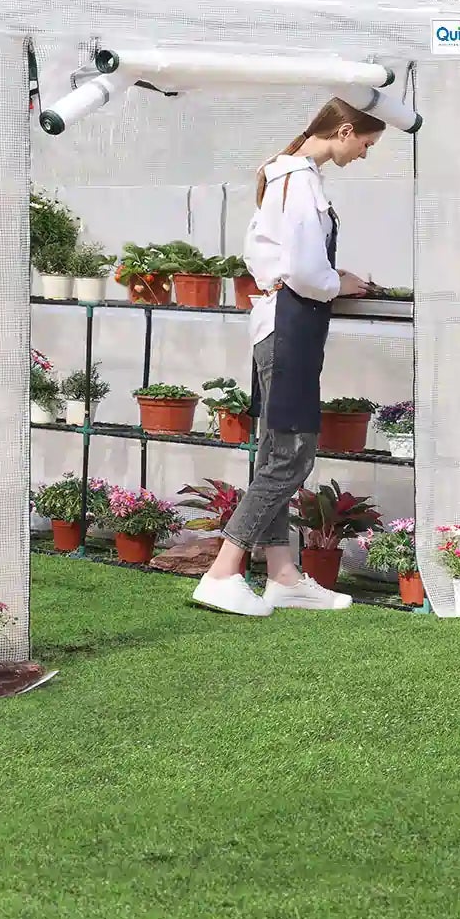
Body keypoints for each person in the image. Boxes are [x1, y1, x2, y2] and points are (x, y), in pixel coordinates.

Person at [192, 98, 385, 617]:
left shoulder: (287, 177)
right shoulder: (298, 181)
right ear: (344, 130)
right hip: (290, 326)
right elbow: (303, 268)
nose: (364, 155)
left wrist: (328, 278)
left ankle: (282, 574)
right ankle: (223, 570)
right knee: (293, 452)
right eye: (365, 144)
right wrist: (336, 280)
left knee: (277, 448)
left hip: (280, 325)